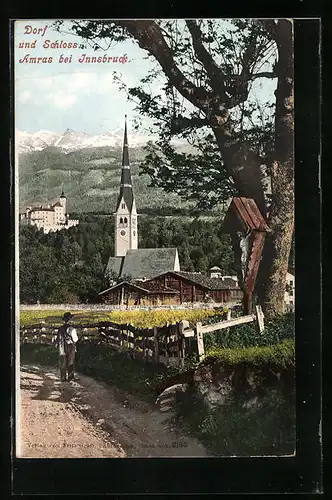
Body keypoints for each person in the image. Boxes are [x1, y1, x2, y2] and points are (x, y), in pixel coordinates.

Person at [55, 312, 79, 382]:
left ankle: (63, 377)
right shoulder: (72, 329)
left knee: (63, 361)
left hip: (62, 346)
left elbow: (58, 338)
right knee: (70, 361)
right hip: (70, 346)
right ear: (70, 320)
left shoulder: (60, 328)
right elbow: (75, 339)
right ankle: (70, 377)